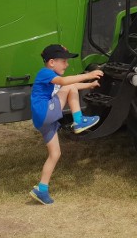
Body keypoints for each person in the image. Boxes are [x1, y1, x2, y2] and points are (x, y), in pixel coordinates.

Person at [29, 44, 103, 205]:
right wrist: (88, 75)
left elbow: (72, 86)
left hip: (43, 121)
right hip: (45, 112)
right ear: (51, 62)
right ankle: (79, 120)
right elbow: (66, 83)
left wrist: (90, 85)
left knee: (55, 154)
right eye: (64, 61)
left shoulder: (52, 77)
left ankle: (41, 189)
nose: (67, 64)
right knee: (68, 85)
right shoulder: (45, 73)